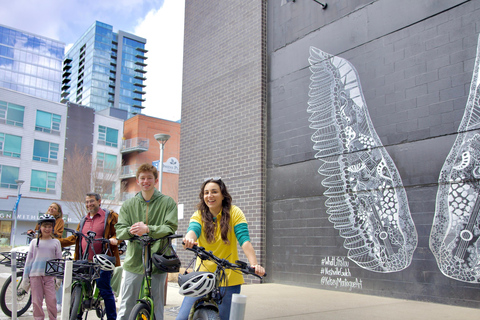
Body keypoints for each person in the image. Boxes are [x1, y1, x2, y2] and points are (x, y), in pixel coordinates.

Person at [177, 177, 265, 320]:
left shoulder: (235, 212)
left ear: (223, 195)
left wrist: (254, 264)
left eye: (214, 192)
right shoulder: (199, 214)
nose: (210, 196)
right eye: (206, 193)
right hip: (202, 277)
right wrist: (189, 239)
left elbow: (244, 240)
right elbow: (193, 229)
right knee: (182, 317)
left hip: (229, 277)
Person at [116, 163, 178, 320]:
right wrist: (132, 231)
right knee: (126, 305)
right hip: (134, 261)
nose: (146, 181)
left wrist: (148, 229)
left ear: (156, 180)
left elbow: (170, 227)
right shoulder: (129, 205)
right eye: (142, 178)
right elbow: (119, 230)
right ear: (137, 180)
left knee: (157, 307)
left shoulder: (168, 202)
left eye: (149, 178)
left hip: (158, 261)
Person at [60, 193, 120, 320]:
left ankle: (112, 318)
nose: (89, 204)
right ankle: (77, 315)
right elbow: (74, 238)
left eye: (91, 201)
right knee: (79, 287)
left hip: (101, 261)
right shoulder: (83, 219)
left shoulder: (109, 217)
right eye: (87, 202)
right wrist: (57, 242)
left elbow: (119, 233)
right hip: (84, 260)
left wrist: (115, 239)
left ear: (99, 201)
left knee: (105, 290)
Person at [27, 202, 65, 312]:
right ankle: (34, 303)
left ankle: (58, 302)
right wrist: (32, 232)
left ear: (58, 212)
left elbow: (58, 233)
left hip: (51, 249)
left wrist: (51, 234)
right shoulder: (41, 220)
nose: (51, 209)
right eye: (50, 207)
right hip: (40, 248)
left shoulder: (59, 221)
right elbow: (37, 230)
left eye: (54, 208)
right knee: (36, 278)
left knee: (54, 275)